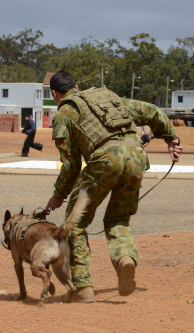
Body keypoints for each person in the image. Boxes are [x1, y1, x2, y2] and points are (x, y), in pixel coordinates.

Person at [45, 71, 182, 302]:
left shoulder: (65, 113)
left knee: (75, 223)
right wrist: (172, 140)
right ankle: (124, 260)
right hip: (136, 156)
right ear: (77, 86)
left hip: (105, 159)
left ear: (54, 94)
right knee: (118, 218)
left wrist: (58, 195)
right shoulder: (108, 99)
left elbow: (71, 165)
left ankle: (83, 288)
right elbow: (152, 111)